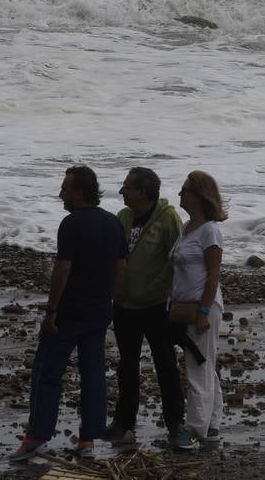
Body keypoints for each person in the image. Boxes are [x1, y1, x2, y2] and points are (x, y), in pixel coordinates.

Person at [9, 165, 127, 463]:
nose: (61, 193)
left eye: (65, 188)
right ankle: (88, 439)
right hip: (100, 310)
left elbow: (63, 268)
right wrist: (110, 299)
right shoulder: (114, 223)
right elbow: (121, 268)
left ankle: (37, 436)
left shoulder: (71, 223)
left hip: (70, 312)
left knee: (47, 374)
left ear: (79, 191)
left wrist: (51, 310)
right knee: (93, 375)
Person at [107, 167, 185, 448]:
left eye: (127, 186)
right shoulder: (123, 217)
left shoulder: (168, 218)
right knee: (126, 366)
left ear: (143, 191)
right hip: (124, 304)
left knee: (165, 365)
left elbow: (176, 260)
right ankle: (123, 422)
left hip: (155, 305)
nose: (122, 191)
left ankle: (176, 424)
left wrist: (157, 289)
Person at [169, 169, 227, 451]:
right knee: (206, 364)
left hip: (202, 308)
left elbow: (213, 275)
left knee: (197, 368)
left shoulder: (210, 231)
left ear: (199, 196)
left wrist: (204, 311)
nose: (180, 194)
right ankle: (212, 424)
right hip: (186, 306)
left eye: (184, 190)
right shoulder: (186, 228)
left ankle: (195, 430)